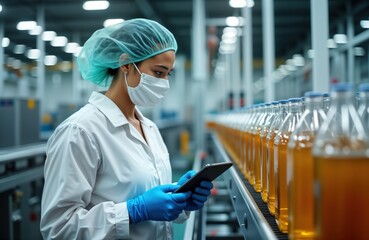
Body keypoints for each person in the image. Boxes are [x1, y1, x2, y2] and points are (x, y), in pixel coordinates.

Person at [40, 18, 213, 240]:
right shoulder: (80, 131)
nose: (164, 83)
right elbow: (58, 228)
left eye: (168, 74)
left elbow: (151, 198)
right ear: (126, 63)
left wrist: (181, 197)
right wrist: (132, 212)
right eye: (158, 72)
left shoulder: (149, 127)